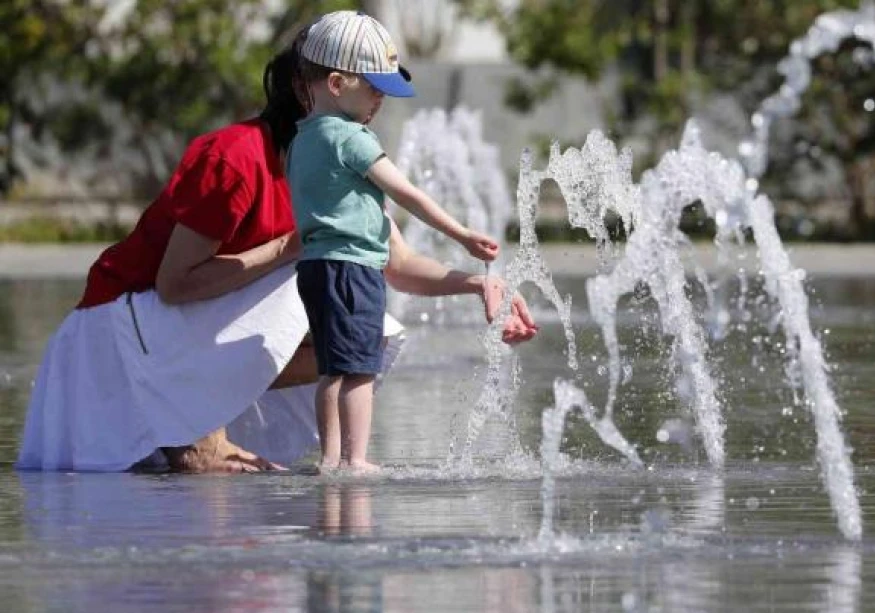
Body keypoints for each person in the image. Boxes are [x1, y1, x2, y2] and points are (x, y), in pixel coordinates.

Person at [15, 22, 537, 474]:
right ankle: (196, 435)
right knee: (311, 271)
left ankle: (208, 429)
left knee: (365, 331)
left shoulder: (344, 161)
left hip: (173, 337)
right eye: (369, 88)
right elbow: (174, 285)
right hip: (112, 337)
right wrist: (289, 247)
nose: (378, 104)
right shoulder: (236, 158)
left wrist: (479, 284)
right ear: (317, 87)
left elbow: (396, 266)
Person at [286, 11, 500, 474]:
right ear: (338, 83)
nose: (380, 98)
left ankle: (330, 457)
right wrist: (461, 234)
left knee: (330, 368)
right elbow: (407, 192)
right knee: (361, 368)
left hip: (316, 266)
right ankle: (356, 458)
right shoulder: (353, 138)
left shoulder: (302, 140)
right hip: (353, 268)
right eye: (374, 87)